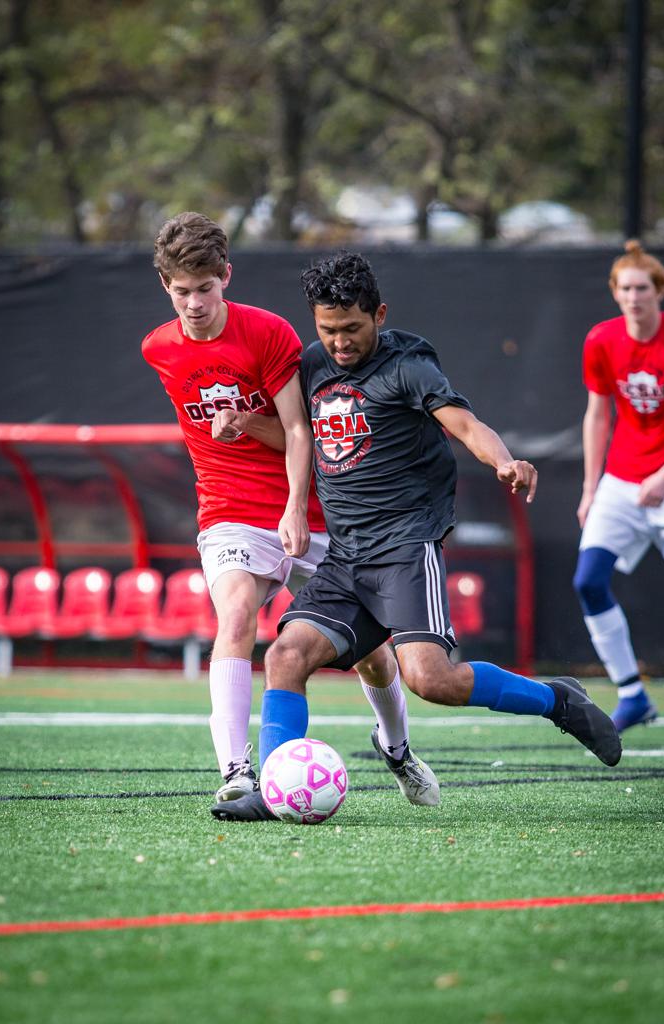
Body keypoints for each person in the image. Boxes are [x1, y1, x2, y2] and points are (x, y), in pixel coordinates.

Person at [213, 251, 621, 822]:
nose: (340, 342)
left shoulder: (410, 363)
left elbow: (464, 424)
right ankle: (278, 787)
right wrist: (245, 425)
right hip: (346, 552)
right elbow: (302, 438)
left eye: (352, 328)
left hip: (405, 546)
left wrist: (504, 461)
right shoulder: (311, 366)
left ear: (379, 314)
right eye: (328, 330)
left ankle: (558, 700)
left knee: (432, 680)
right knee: (284, 656)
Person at [143, 215, 439, 809]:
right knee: (235, 618)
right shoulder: (158, 349)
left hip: (306, 508)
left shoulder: (269, 334)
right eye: (182, 291)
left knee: (373, 656)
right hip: (227, 510)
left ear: (226, 277)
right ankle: (236, 772)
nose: (195, 302)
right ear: (165, 287)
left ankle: (398, 748)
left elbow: (301, 433)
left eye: (206, 287)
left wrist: (292, 507)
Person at [573, 240, 664, 741]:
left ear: (659, 292)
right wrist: (591, 488)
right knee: (588, 581)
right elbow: (597, 414)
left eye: (643, 288)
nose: (635, 297)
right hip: (621, 480)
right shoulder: (601, 340)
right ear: (615, 294)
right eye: (626, 288)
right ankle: (633, 695)